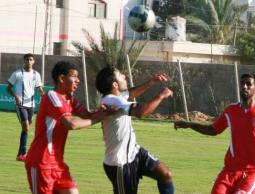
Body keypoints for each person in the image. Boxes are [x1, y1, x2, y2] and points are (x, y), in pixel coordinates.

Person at [25, 61, 117, 194]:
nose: (78, 80)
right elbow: (71, 124)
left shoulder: (69, 98)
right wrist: (99, 117)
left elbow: (88, 115)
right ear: (62, 78)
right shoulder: (52, 96)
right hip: (41, 162)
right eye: (74, 76)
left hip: (57, 163)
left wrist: (106, 111)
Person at [95, 65, 175, 194]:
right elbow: (141, 112)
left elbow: (130, 93)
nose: (124, 76)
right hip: (120, 163)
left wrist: (151, 82)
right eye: (121, 75)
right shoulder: (111, 100)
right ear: (115, 85)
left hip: (134, 152)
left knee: (165, 174)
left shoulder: (115, 96)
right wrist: (161, 95)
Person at [174, 73, 255, 194]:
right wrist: (190, 124)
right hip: (229, 171)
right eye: (242, 83)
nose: (244, 86)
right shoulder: (231, 110)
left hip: (250, 173)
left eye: (249, 84)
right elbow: (213, 130)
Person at [6, 53, 44, 161]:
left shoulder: (36, 74)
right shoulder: (17, 74)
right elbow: (8, 88)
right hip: (20, 105)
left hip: (31, 105)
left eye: (31, 59)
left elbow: (39, 88)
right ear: (24, 61)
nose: (29, 61)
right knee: (26, 127)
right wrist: (16, 96)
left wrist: (42, 93)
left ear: (34, 61)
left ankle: (20, 155)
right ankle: (24, 153)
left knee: (25, 130)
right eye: (27, 59)